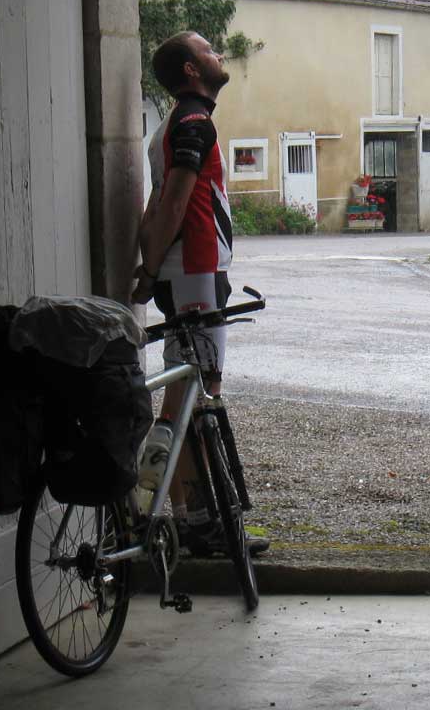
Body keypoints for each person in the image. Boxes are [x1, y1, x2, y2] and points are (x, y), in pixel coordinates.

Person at [131, 30, 267, 557]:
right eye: (207, 49)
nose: (217, 54)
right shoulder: (193, 122)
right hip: (196, 273)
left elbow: (155, 204)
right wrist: (152, 264)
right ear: (191, 70)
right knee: (195, 400)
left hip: (185, 272)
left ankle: (196, 519)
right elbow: (174, 203)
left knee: (190, 399)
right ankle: (197, 522)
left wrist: (149, 269)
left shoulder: (171, 125)